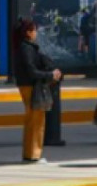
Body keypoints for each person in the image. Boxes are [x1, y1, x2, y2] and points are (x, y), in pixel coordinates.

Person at [14, 19, 62, 163]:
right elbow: (32, 71)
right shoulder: (26, 48)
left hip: (28, 85)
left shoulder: (24, 47)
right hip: (31, 86)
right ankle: (33, 154)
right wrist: (50, 75)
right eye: (34, 30)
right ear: (28, 32)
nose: (36, 33)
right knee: (36, 121)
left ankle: (31, 153)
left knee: (33, 120)